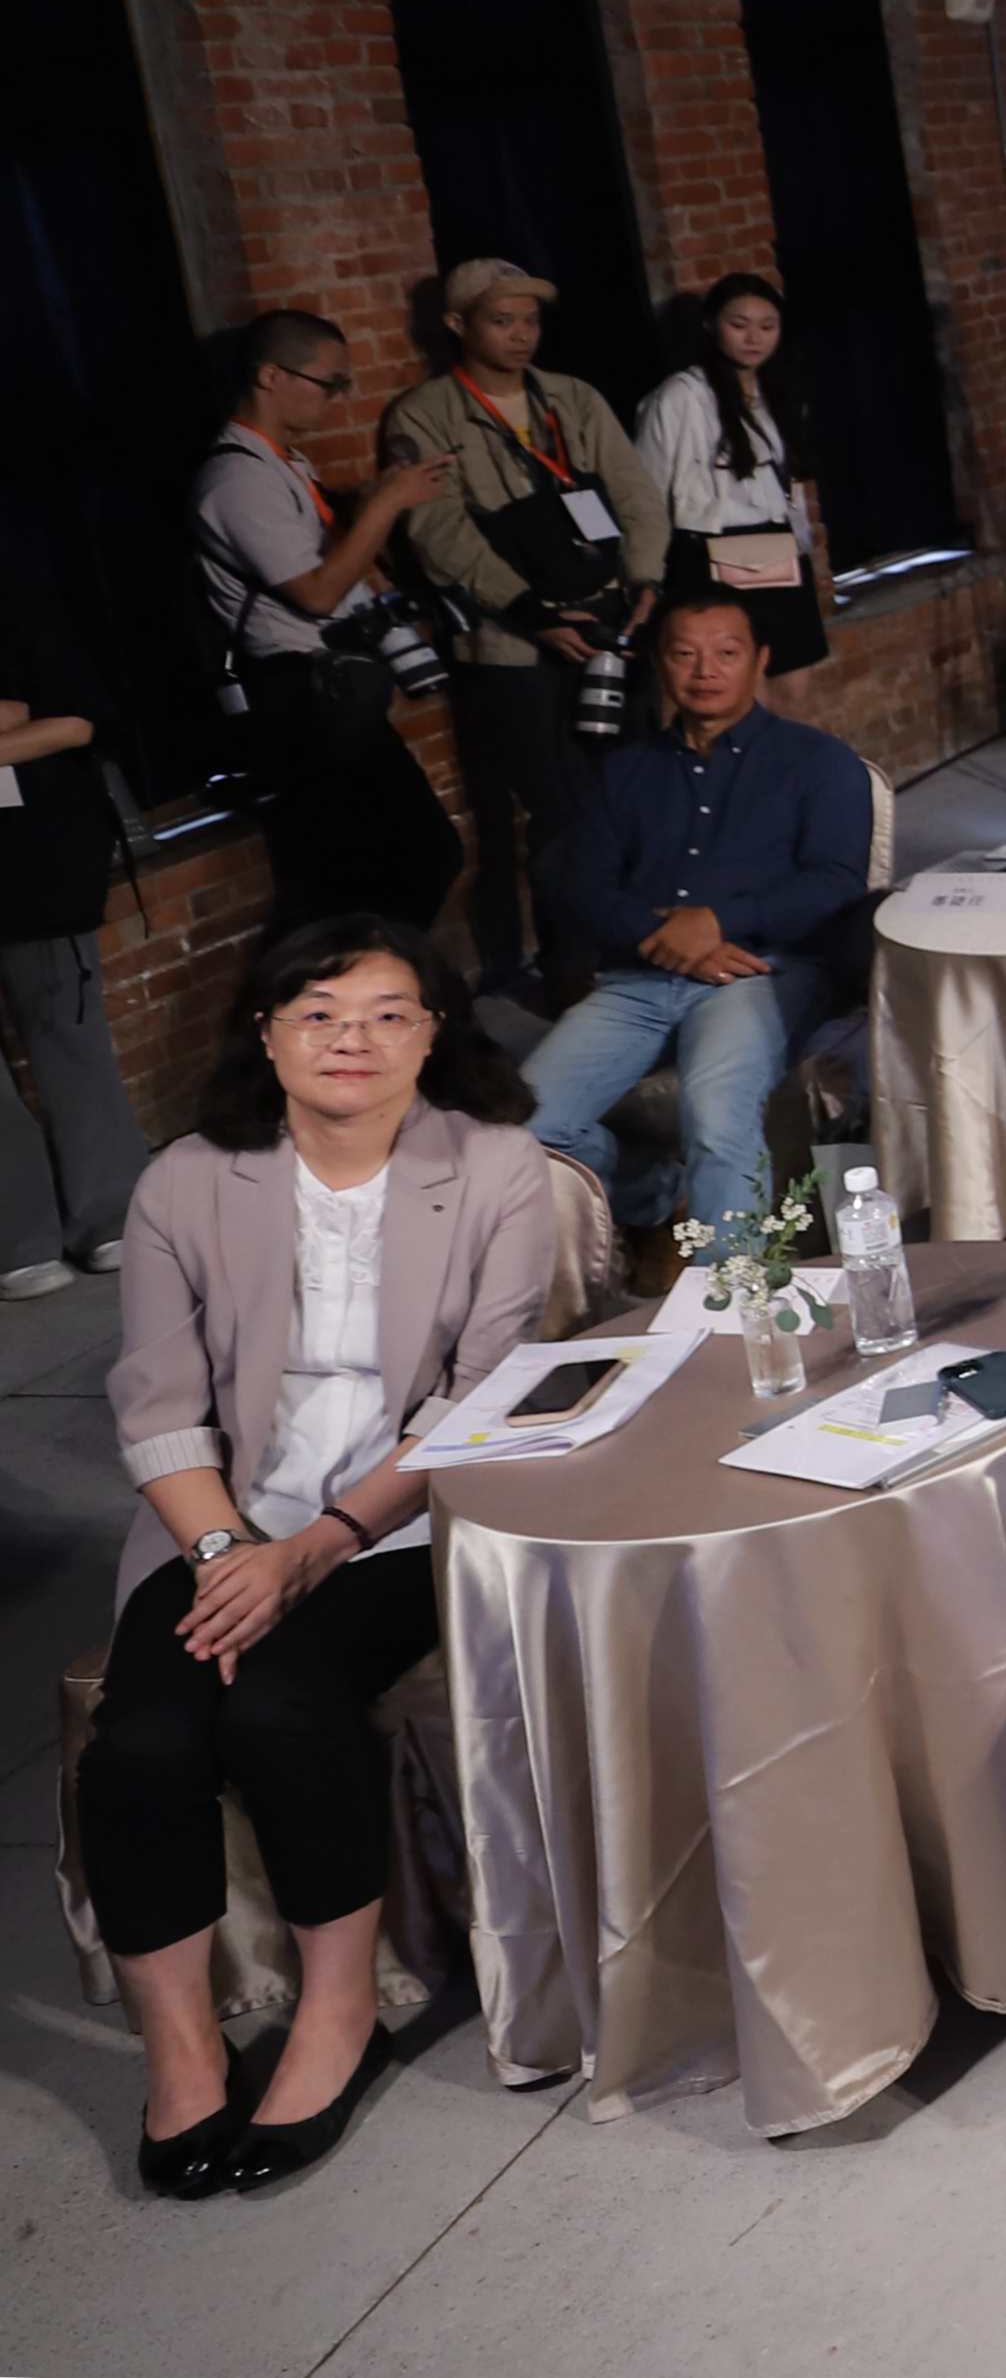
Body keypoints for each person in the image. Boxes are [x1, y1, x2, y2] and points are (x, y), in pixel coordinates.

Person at [91, 916, 559, 2197]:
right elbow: (157, 1401)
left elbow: (478, 1402)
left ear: (434, 1030)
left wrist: (322, 1543)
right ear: (265, 1032)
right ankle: (181, 2051)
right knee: (143, 1739)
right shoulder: (187, 1177)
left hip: (401, 1520)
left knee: (288, 1709)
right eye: (317, 1011)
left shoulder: (499, 1166)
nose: (351, 1038)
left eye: (387, 1011)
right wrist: (232, 1545)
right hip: (216, 1521)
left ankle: (337, 2013)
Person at [511, 586, 876, 1248]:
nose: (705, 671)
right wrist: (670, 938)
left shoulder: (818, 762)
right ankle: (645, 1189)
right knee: (520, 1126)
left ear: (759, 660)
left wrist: (715, 923)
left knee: (714, 1112)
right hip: (639, 977)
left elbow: (836, 883)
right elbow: (578, 886)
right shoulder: (623, 772)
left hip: (762, 972)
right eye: (685, 654)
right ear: (660, 663)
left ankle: (733, 1315)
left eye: (726, 653)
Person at [381, 259, 667, 998]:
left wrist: (645, 580)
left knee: (634, 792)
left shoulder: (571, 398)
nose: (520, 335)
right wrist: (531, 613)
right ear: (458, 325)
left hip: (608, 623)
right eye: (501, 320)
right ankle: (571, 968)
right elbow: (437, 530)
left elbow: (635, 491)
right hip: (511, 646)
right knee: (562, 813)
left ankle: (639, 945)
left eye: (530, 321)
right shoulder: (427, 414)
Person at [195, 315, 467, 937]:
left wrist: (370, 513)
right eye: (328, 382)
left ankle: (374, 999)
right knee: (365, 875)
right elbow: (316, 593)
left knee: (399, 862)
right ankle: (355, 1003)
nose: (335, 398)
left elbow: (337, 566)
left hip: (334, 689)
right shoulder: (238, 479)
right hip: (297, 695)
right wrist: (383, 508)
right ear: (270, 376)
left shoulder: (286, 465)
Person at [0, 551, 145, 1291]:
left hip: (33, 851)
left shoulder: (25, 591)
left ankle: (108, 1213)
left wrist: (25, 723)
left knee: (69, 1024)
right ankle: (18, 1236)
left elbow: (77, 719)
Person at [635, 272, 830, 674]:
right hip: (710, 554)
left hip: (777, 549)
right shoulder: (681, 396)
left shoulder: (775, 392)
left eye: (767, 326)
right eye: (738, 325)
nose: (753, 338)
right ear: (711, 325)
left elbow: (788, 485)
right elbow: (646, 494)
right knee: (733, 690)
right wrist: (646, 578)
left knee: (795, 686)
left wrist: (807, 550)